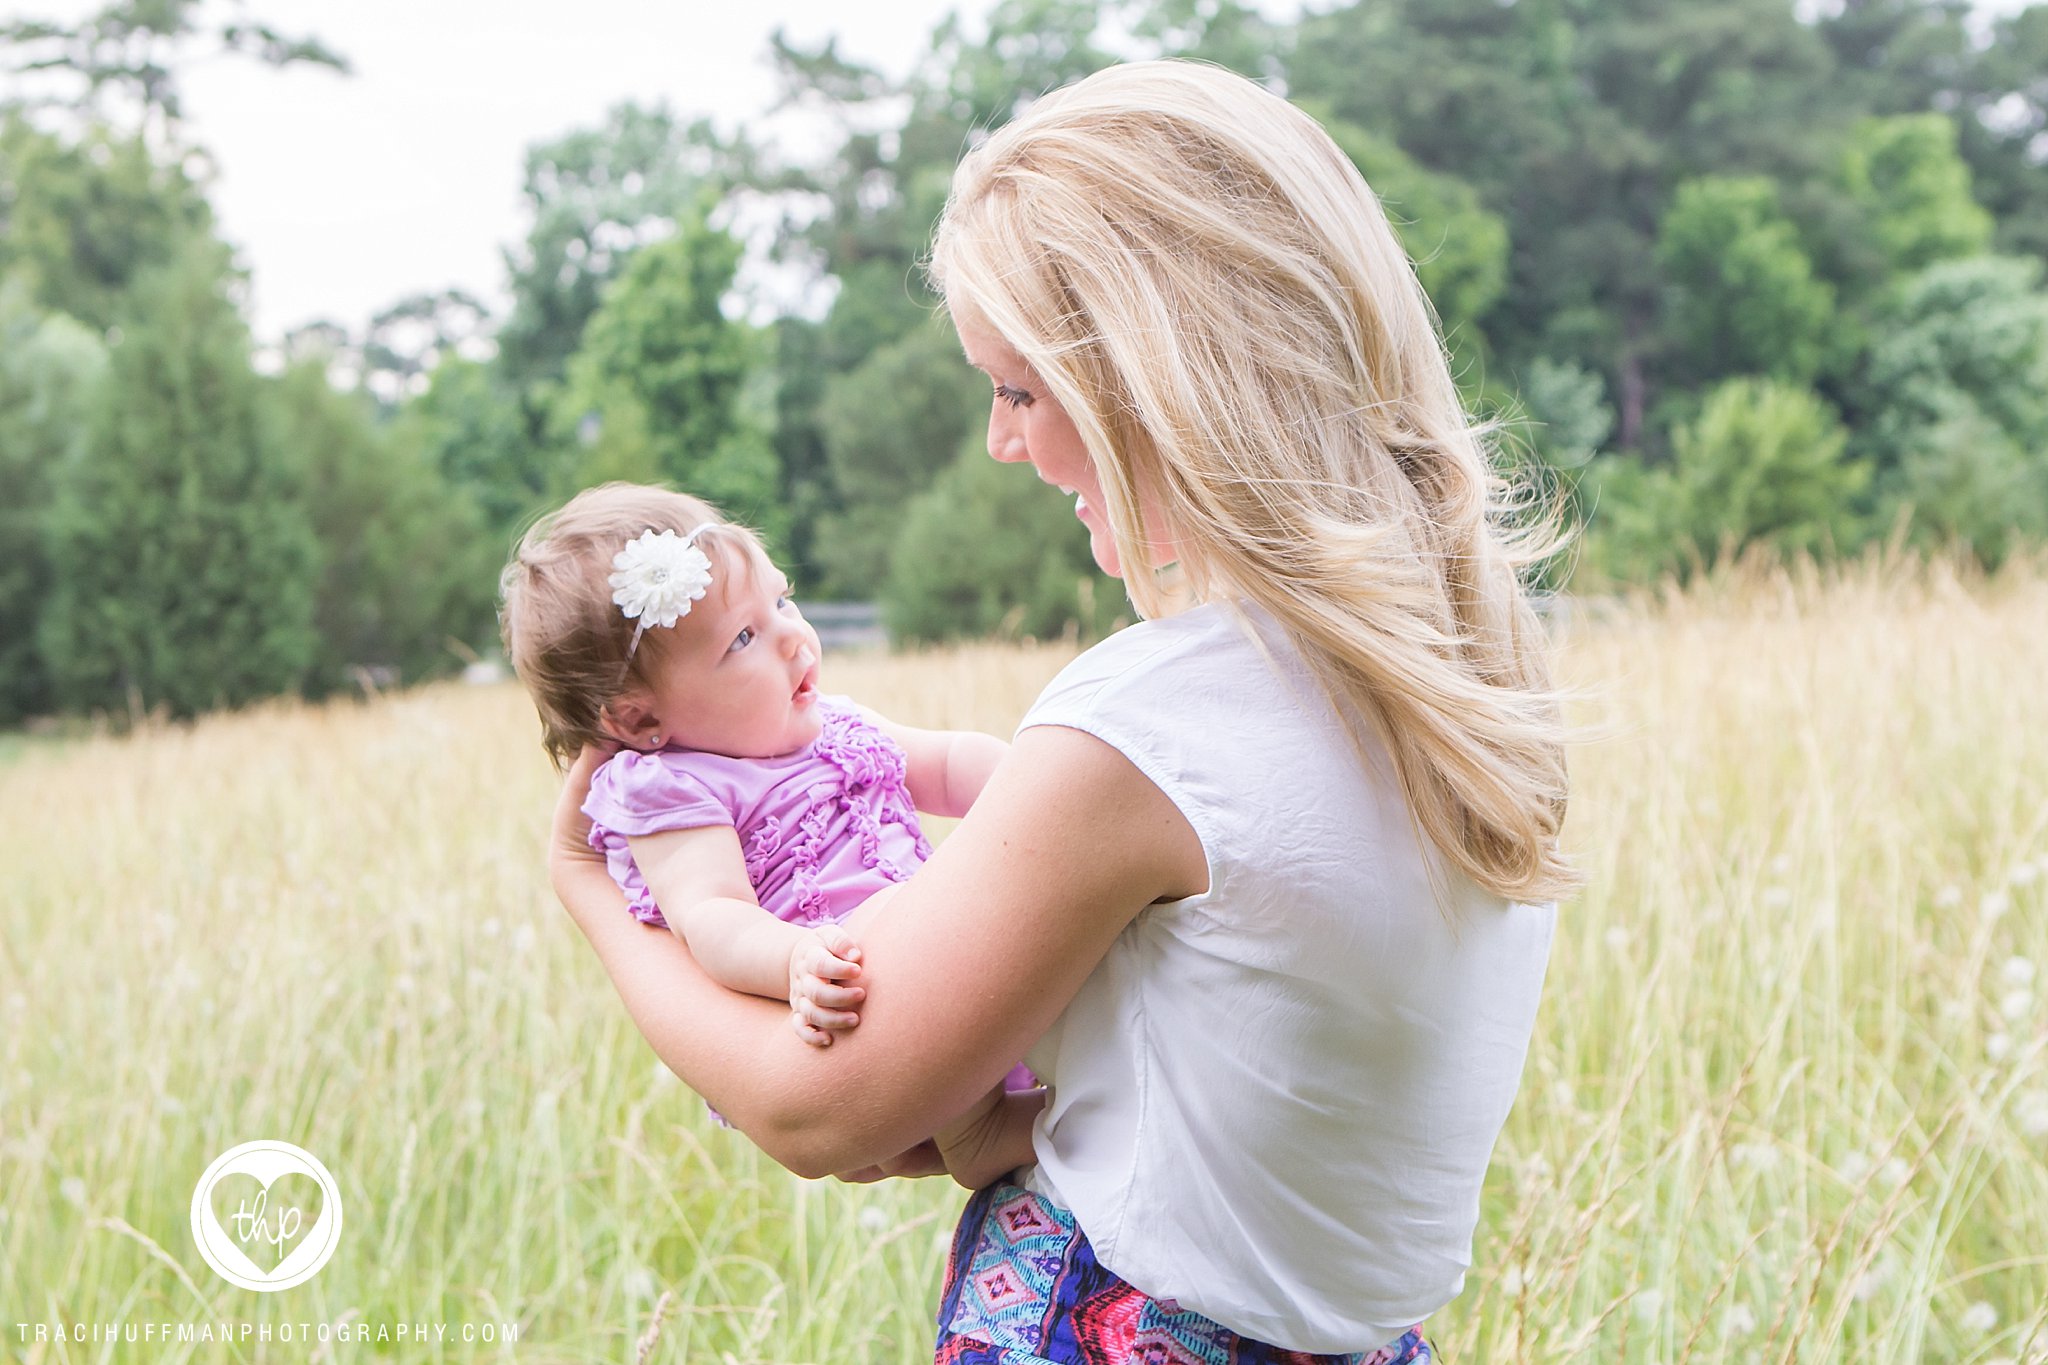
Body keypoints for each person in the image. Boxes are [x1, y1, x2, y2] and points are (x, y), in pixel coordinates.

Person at [549, 59, 1576, 1364]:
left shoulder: (1154, 730)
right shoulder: (1472, 670)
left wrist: (592, 885)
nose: (1002, 441)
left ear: (1157, 381)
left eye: (1020, 389)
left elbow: (819, 1115)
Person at [502, 483, 1022, 1058]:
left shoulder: (829, 721)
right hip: (842, 995)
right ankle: (963, 1138)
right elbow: (713, 917)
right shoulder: (673, 788)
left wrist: (1032, 780)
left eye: (782, 602)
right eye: (743, 638)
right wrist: (793, 959)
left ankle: (991, 1126)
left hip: (939, 964)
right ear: (638, 715)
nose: (793, 635)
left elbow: (946, 766)